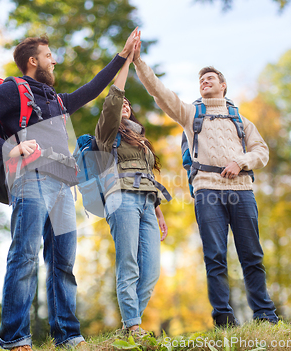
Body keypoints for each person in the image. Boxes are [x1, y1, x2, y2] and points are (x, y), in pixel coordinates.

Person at [0, 29, 140, 350]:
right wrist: (10, 148)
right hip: (30, 178)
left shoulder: (57, 100)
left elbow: (93, 88)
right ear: (33, 61)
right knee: (25, 256)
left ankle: (69, 336)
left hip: (61, 183)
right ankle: (15, 338)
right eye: (48, 56)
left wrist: (123, 55)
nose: (54, 60)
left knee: (62, 262)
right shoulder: (12, 89)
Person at [131, 36, 277, 327]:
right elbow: (159, 92)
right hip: (207, 191)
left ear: (223, 85)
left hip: (243, 191)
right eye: (201, 80)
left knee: (252, 254)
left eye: (210, 78)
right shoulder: (190, 113)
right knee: (215, 257)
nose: (204, 82)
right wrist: (137, 61)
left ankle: (265, 315)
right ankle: (223, 318)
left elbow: (262, 151)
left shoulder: (240, 120)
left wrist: (242, 162)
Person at [94, 44, 168, 336]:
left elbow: (148, 176)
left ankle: (127, 327)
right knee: (129, 264)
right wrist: (125, 60)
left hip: (148, 204)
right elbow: (114, 97)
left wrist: (159, 212)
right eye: (121, 103)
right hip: (121, 199)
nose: (124, 105)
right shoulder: (107, 133)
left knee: (150, 272)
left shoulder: (141, 140)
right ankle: (134, 327)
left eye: (127, 104)